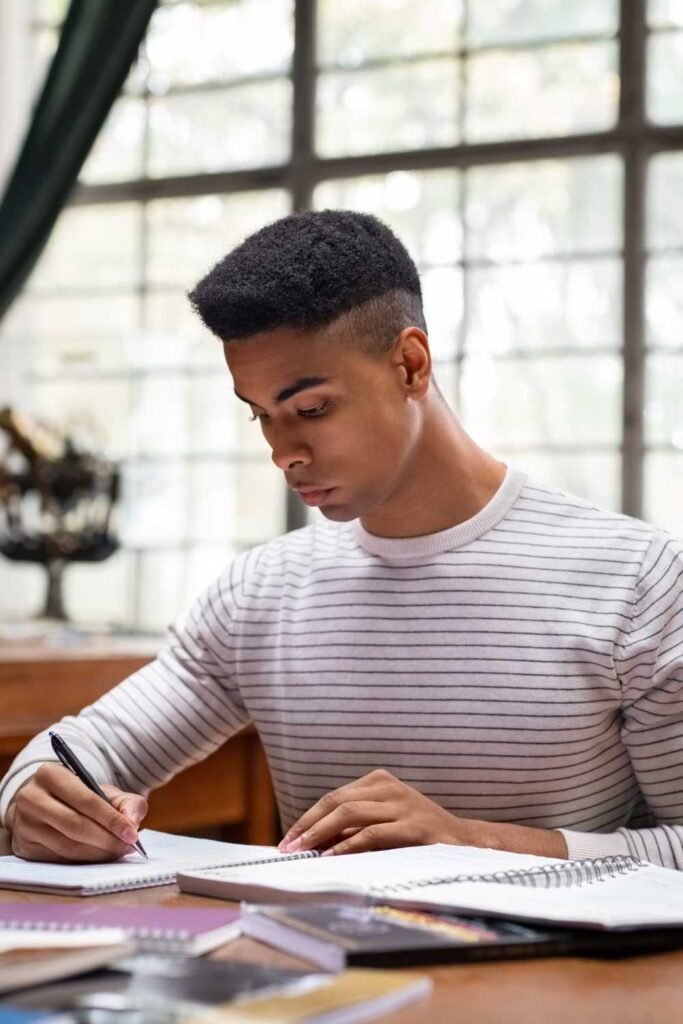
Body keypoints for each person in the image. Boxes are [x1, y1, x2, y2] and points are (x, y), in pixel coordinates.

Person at [1, 210, 682, 868]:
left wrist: (473, 841)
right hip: (316, 977)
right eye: (260, 416)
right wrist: (29, 796)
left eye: (312, 409)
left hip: (555, 984)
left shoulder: (634, 580)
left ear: (410, 364)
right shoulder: (260, 594)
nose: (283, 452)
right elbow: (80, 754)